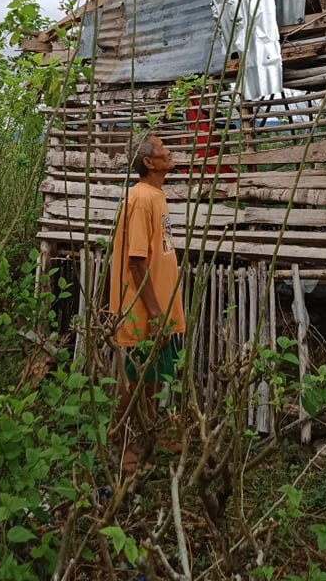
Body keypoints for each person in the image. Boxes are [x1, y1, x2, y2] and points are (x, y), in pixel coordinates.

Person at [109, 132, 185, 473]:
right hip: (146, 311)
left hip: (160, 309)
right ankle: (125, 444)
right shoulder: (139, 199)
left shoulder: (156, 195)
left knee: (153, 376)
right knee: (139, 377)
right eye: (162, 149)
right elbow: (136, 262)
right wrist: (155, 313)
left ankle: (149, 435)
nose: (170, 152)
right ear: (149, 163)